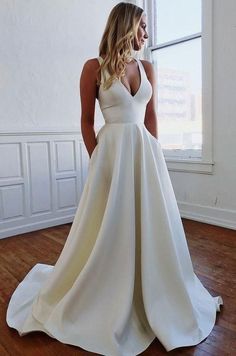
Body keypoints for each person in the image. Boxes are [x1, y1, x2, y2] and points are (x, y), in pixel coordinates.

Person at [6, 2, 223, 355]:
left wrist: (156, 154)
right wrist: (99, 163)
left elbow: (151, 117)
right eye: (142, 26)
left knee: (153, 226)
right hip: (111, 158)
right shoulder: (93, 68)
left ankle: (155, 290)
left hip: (145, 157)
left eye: (147, 27)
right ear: (125, 25)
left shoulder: (147, 67)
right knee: (110, 227)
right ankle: (106, 291)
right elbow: (85, 122)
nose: (146, 34)